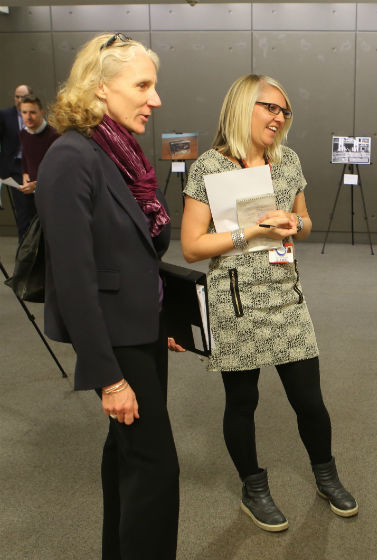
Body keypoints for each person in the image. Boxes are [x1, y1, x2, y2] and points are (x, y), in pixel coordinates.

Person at [181, 74, 357, 533]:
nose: (279, 118)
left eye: (284, 111)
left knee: (310, 401)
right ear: (243, 107)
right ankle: (252, 486)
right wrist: (250, 232)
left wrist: (293, 222)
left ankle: (325, 474)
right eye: (270, 108)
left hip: (285, 296)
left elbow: (306, 220)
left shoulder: (287, 161)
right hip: (235, 301)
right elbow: (192, 247)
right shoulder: (208, 167)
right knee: (242, 401)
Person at [35, 33, 179, 559]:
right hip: (115, 348)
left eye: (154, 85)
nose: (155, 99)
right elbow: (74, 281)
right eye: (142, 85)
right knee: (155, 468)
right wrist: (110, 377)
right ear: (99, 89)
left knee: (127, 458)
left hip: (140, 332)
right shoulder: (71, 158)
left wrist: (163, 321)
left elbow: (136, 253)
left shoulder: (123, 155)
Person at [0, 84, 34, 239]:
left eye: (23, 97)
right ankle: (24, 251)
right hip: (15, 168)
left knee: (36, 210)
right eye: (17, 96)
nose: (19, 100)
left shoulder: (35, 114)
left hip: (34, 167)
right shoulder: (5, 115)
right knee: (22, 212)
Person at [18, 94, 60, 215]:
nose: (28, 117)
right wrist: (25, 176)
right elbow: (26, 158)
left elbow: (56, 171)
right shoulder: (23, 134)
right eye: (24, 112)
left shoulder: (54, 136)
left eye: (32, 112)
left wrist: (36, 185)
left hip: (51, 194)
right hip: (31, 194)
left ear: (41, 112)